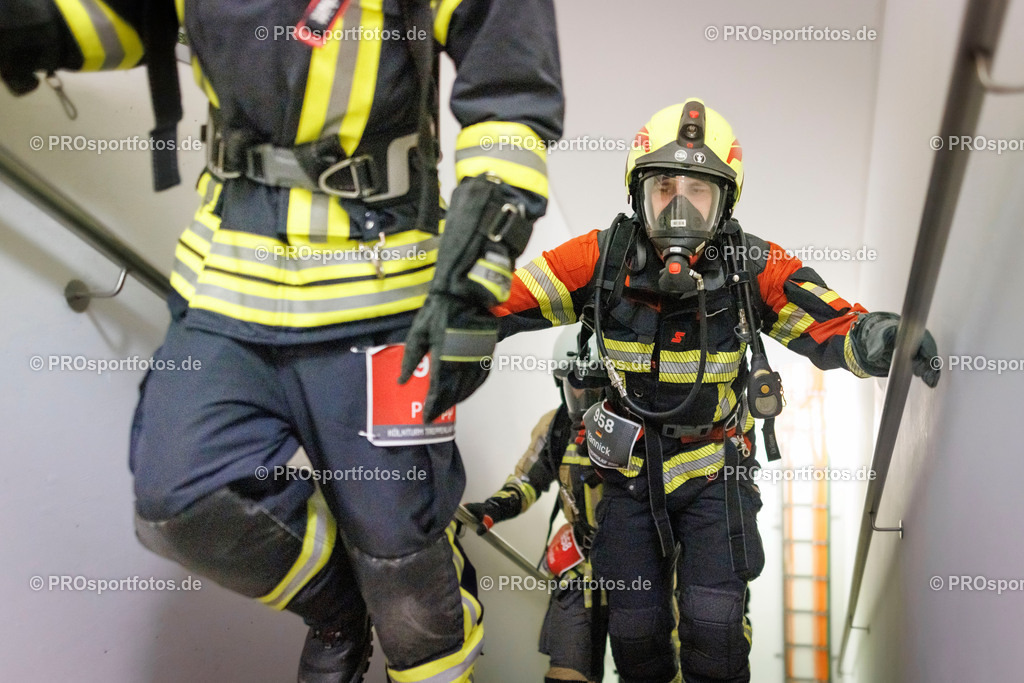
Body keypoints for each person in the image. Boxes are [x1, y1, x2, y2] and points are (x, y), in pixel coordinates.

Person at [2, 1, 564, 681]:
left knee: (406, 574)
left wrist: (478, 269)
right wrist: (36, 22)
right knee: (179, 503)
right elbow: (128, 16)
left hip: (381, 299)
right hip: (227, 280)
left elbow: (509, 94)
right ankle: (342, 610)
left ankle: (404, 609)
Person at [492, 99, 939, 683]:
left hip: (715, 471)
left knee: (714, 625)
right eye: (664, 188)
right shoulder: (599, 260)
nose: (678, 207)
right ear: (637, 194)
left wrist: (879, 338)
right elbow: (504, 299)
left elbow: (830, 322)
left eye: (697, 191)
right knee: (634, 632)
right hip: (628, 475)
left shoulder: (751, 265)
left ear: (725, 201)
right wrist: (445, 322)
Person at [463, 328, 615, 683]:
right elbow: (527, 481)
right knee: (565, 672)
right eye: (575, 384)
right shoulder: (556, 427)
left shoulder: (643, 428)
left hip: (641, 568)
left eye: (596, 385)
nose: (585, 395)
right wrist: (494, 508)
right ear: (560, 382)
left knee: (650, 667)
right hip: (580, 566)